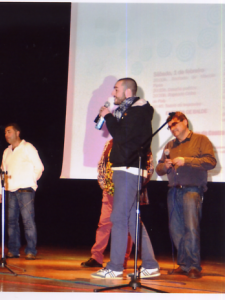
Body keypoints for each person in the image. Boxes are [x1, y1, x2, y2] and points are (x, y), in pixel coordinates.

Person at [91, 77, 160, 279]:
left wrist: (109, 117)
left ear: (128, 92)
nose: (113, 93)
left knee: (119, 218)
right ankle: (150, 264)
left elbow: (122, 137)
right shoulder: (132, 112)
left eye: (116, 89)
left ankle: (114, 267)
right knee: (131, 220)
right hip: (126, 169)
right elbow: (124, 136)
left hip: (129, 170)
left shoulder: (136, 111)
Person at [156, 112, 216, 279]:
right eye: (170, 127)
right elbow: (158, 168)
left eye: (175, 124)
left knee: (191, 228)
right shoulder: (169, 145)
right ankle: (184, 264)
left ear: (185, 122)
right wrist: (165, 166)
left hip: (192, 190)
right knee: (176, 229)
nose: (172, 129)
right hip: (173, 190)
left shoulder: (201, 140)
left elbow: (211, 162)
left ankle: (194, 266)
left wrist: (186, 160)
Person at [82, 139, 154, 268]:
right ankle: (96, 257)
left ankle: (123, 259)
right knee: (104, 223)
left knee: (127, 224)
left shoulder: (140, 142)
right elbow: (102, 165)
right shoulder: (109, 143)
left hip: (127, 190)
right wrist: (104, 185)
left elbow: (149, 168)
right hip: (110, 190)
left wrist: (135, 186)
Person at [0, 123, 44, 260]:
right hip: (10, 191)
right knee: (11, 222)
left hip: (25, 190)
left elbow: (39, 167)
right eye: (5, 132)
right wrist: (0, 191)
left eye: (9, 131)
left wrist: (30, 181)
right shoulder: (6, 151)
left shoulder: (27, 147)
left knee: (28, 221)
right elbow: (2, 173)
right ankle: (13, 250)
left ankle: (30, 250)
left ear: (18, 133)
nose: (6, 135)